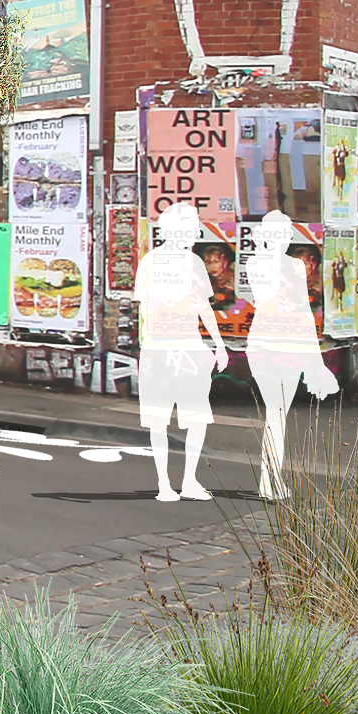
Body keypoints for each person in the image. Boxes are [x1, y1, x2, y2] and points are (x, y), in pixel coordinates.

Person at [243, 209, 339, 498]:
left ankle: (269, 480)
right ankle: (269, 482)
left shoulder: (294, 267)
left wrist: (316, 361)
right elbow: (268, 298)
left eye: (286, 234)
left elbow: (303, 311)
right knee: (276, 413)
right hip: (266, 344)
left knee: (279, 415)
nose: (283, 239)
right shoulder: (257, 264)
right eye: (278, 234)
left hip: (288, 342)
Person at [136, 203, 226, 503]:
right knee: (158, 419)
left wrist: (218, 344)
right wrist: (149, 342)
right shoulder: (151, 262)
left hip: (186, 347)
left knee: (196, 417)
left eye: (194, 229)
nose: (193, 234)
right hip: (162, 347)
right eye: (187, 229)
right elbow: (143, 308)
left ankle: (189, 481)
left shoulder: (194, 263)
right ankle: (164, 483)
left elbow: (204, 306)